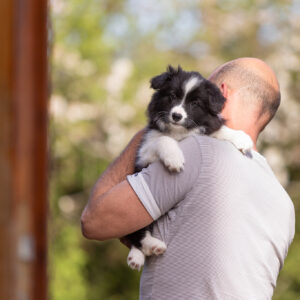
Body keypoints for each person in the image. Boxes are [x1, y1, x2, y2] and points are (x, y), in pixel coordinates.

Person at [81, 57, 295, 299]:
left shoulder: (199, 151)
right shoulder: (283, 204)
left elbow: (95, 220)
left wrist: (151, 132)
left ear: (220, 94)